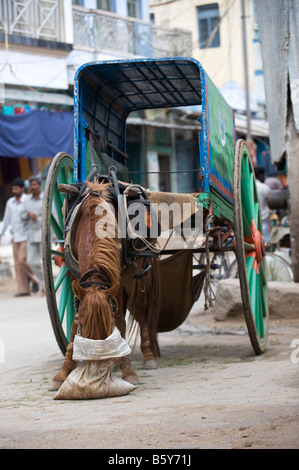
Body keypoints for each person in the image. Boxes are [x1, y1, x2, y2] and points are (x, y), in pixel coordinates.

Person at [0, 177, 37, 296]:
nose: (14, 191)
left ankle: (36, 279)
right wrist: (1, 233)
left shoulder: (28, 200)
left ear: (22, 188)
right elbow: (6, 219)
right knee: (17, 265)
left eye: (16, 189)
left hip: (27, 236)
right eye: (13, 189)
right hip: (14, 236)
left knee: (23, 260)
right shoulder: (10, 202)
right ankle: (23, 289)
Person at [21, 176, 45, 294]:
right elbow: (22, 216)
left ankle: (46, 288)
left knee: (45, 261)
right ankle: (44, 284)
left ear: (39, 185)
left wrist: (38, 218)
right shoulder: (26, 200)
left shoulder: (45, 197)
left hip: (43, 234)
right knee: (31, 262)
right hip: (31, 234)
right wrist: (27, 215)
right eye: (31, 185)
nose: (33, 187)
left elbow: (52, 216)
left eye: (35, 185)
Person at [254, 166, 271, 243]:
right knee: (266, 241)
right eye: (264, 175)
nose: (264, 178)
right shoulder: (265, 188)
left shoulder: (249, 186)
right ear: (260, 176)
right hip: (264, 219)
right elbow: (271, 203)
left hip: (252, 221)